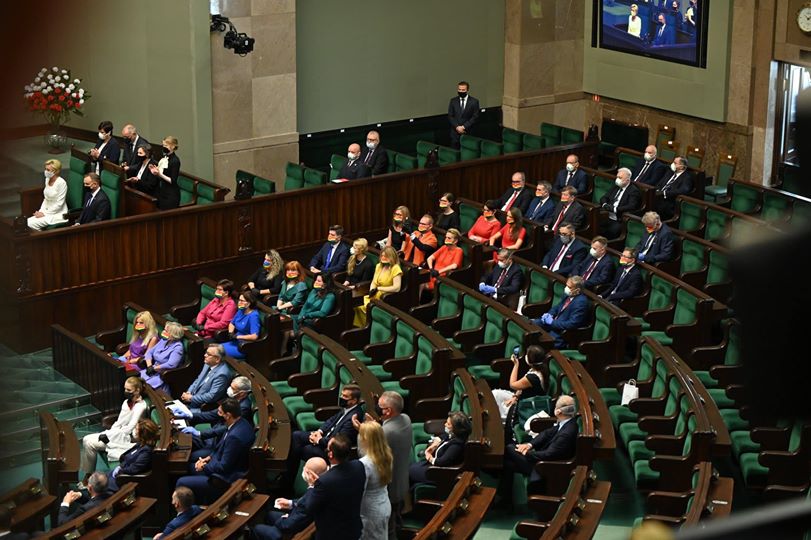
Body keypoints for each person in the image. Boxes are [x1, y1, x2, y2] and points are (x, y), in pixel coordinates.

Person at [352, 391, 412, 540]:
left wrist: (363, 432)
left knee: (388, 529)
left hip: (388, 487)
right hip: (402, 480)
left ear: (388, 411)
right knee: (395, 518)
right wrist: (375, 427)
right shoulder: (405, 419)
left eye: (380, 407)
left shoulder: (386, 432)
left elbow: (366, 456)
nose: (378, 408)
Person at [499, 395, 578, 505]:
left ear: (558, 411)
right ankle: (505, 500)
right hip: (542, 460)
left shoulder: (567, 433)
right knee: (506, 464)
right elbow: (546, 434)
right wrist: (529, 445)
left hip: (547, 466)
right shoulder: (566, 423)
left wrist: (528, 454)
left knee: (509, 448)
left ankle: (504, 501)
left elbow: (550, 454)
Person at [175, 398, 255, 504]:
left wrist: (204, 466)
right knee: (186, 467)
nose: (218, 414)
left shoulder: (235, 437)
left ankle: (188, 511)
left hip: (223, 480)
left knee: (181, 481)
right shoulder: (239, 422)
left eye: (220, 412)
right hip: (218, 463)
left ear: (228, 415)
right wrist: (208, 458)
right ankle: (199, 501)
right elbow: (220, 446)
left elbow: (223, 467)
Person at [81, 377, 147, 481]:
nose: (126, 392)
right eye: (125, 389)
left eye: (129, 390)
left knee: (89, 443)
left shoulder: (141, 406)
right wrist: (109, 433)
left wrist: (109, 436)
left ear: (137, 390)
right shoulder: (126, 402)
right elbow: (119, 422)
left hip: (127, 440)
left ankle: (88, 476)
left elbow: (129, 428)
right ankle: (89, 473)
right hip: (116, 434)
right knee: (86, 439)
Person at [287, 385, 363, 473]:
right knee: (296, 435)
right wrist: (319, 431)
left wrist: (319, 440)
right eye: (341, 395)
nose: (341, 398)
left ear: (354, 400)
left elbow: (338, 442)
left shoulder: (354, 416)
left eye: (345, 396)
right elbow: (330, 421)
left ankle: (289, 477)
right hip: (324, 437)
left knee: (303, 449)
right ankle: (289, 472)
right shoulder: (347, 408)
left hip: (330, 449)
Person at [174, 376, 253, 458]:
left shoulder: (243, 408)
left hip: (221, 441)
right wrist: (190, 415)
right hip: (215, 433)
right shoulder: (233, 398)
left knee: (191, 453)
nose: (229, 389)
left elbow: (227, 428)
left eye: (233, 388)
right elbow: (212, 414)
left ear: (242, 393)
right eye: (230, 386)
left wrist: (200, 433)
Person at [306, 434, 366, 540]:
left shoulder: (324, 482)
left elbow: (310, 506)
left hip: (331, 534)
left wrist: (312, 486)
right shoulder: (359, 466)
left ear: (330, 454)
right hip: (353, 529)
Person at [252, 457, 328, 540]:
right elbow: (304, 502)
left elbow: (287, 525)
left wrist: (283, 519)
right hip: (300, 521)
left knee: (257, 528)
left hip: (293, 532)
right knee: (270, 515)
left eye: (305, 470)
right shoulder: (321, 488)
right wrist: (290, 503)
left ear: (311, 475)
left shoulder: (312, 496)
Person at [409, 412, 471, 485]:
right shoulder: (455, 435)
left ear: (455, 428)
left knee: (408, 471)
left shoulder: (456, 446)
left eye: (448, 424)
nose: (445, 424)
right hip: (432, 466)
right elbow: (445, 436)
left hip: (438, 473)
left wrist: (429, 457)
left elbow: (441, 462)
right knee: (410, 468)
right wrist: (435, 444)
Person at [282, 274, 336, 354]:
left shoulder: (330, 296)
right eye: (316, 280)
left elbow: (323, 313)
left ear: (325, 284)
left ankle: (293, 349)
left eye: (319, 281)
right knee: (284, 321)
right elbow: (305, 305)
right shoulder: (314, 291)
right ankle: (285, 352)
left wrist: (306, 316)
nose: (315, 282)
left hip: (312, 320)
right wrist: (300, 316)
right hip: (301, 317)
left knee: (289, 330)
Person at [531, 275, 590, 348]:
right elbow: (557, 307)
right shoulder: (568, 295)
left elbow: (572, 324)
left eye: (569, 287)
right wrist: (549, 315)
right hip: (553, 325)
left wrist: (552, 322)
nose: (566, 288)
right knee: (531, 325)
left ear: (577, 290)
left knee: (538, 342)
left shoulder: (581, 302)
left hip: (561, 333)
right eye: (566, 286)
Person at [358, 422, 393, 540]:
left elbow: (360, 492)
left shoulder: (365, 463)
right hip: (384, 503)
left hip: (370, 511)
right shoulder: (386, 455)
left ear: (366, 439)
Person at [354, 247, 402, 327]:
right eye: (382, 256)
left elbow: (397, 288)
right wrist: (371, 289)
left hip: (385, 295)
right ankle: (363, 326)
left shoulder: (395, 268)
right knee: (358, 305)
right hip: (374, 293)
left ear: (391, 257)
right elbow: (373, 282)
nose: (383, 258)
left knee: (366, 307)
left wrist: (379, 288)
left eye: (386, 256)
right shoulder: (379, 266)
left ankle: (370, 326)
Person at [107, 419, 159, 491]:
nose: (135, 432)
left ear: (142, 434)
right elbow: (127, 457)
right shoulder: (140, 444)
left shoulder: (146, 452)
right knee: (99, 479)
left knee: (100, 486)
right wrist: (120, 467)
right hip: (121, 470)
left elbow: (134, 469)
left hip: (125, 479)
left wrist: (121, 470)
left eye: (137, 430)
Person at [180, 344, 232, 412]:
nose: (205, 355)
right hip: (192, 401)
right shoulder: (208, 364)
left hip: (202, 408)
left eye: (208, 354)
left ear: (217, 359)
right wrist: (189, 392)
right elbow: (198, 380)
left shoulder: (222, 374)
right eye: (206, 352)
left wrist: (191, 398)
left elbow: (211, 396)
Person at [140, 321, 185, 393]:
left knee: (142, 386)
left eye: (166, 331)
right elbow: (149, 352)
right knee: (135, 382)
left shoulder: (178, 347)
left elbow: (171, 364)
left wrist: (155, 368)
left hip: (163, 374)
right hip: (151, 370)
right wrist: (149, 366)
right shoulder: (163, 341)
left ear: (173, 334)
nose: (163, 332)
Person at [600, 167, 642, 239]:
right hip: (607, 215)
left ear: (627, 180)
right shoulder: (615, 187)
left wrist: (616, 209)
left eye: (620, 178)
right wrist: (604, 204)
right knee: (597, 226)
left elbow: (632, 206)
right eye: (617, 177)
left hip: (619, 219)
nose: (617, 180)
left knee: (612, 231)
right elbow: (604, 197)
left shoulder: (633, 191)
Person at [27, 159, 68, 230]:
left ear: (56, 171)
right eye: (45, 169)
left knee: (31, 224)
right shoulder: (47, 179)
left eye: (48, 170)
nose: (46, 171)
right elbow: (46, 199)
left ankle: (41, 239)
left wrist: (45, 214)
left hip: (58, 213)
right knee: (27, 222)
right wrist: (41, 211)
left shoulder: (61, 183)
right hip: (46, 211)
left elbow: (59, 204)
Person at [222, 291, 261, 360]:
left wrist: (238, 336)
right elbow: (232, 323)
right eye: (239, 300)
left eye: (242, 301)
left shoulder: (254, 316)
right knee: (212, 349)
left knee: (216, 351)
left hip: (244, 346)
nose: (239, 302)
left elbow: (254, 336)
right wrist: (231, 333)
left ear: (248, 303)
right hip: (235, 341)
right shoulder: (241, 310)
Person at [423, 228, 464, 294]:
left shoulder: (459, 250)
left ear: (455, 241)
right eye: (446, 237)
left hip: (442, 278)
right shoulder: (444, 247)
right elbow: (430, 258)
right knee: (416, 279)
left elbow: (454, 265)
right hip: (433, 274)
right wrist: (431, 269)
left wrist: (439, 272)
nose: (446, 239)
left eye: (449, 238)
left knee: (420, 283)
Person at [150, 136, 181, 210]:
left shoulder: (175, 161)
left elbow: (172, 181)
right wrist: (155, 172)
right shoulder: (164, 158)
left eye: (166, 145)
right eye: (163, 145)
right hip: (163, 192)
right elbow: (162, 175)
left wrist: (160, 174)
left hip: (171, 195)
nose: (164, 147)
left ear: (173, 146)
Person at [448, 80, 480, 149]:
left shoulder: (474, 102)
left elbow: (475, 116)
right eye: (459, 89)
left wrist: (464, 127)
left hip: (468, 133)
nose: (461, 91)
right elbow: (450, 116)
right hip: (455, 134)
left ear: (467, 90)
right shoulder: (453, 101)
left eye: (463, 90)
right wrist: (457, 127)